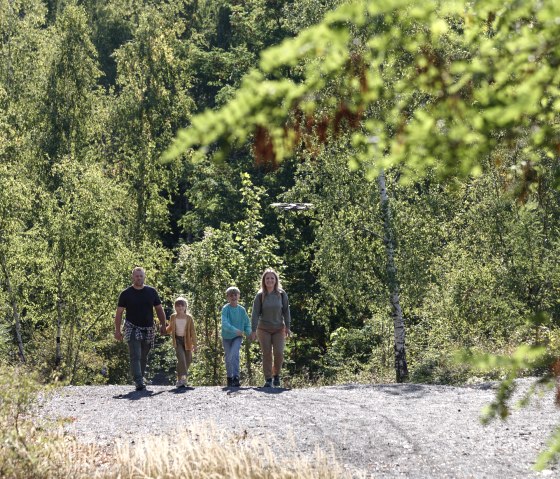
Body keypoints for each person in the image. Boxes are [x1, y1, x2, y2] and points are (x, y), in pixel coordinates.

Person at [114, 267, 166, 391]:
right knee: (135, 355)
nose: (139, 278)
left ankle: (140, 377)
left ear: (144, 277)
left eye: (141, 276)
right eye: (136, 276)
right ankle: (138, 381)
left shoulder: (151, 292)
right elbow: (119, 313)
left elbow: (159, 309)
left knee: (143, 356)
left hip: (148, 328)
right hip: (131, 328)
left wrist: (164, 325)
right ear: (133, 277)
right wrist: (117, 330)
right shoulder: (126, 293)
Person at [251, 268, 291, 388]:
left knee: (279, 353)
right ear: (264, 280)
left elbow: (286, 311)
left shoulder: (281, 294)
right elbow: (255, 313)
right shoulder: (260, 295)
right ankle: (268, 379)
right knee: (267, 353)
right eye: (267, 278)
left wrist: (288, 327)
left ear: (275, 280)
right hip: (263, 329)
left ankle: (276, 375)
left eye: (272, 278)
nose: (269, 280)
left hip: (279, 328)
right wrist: (253, 330)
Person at [221, 286, 251, 388]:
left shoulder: (242, 310)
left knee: (235, 354)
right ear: (227, 298)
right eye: (231, 295)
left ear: (238, 296)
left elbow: (247, 324)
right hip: (226, 337)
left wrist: (249, 333)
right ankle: (229, 377)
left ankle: (236, 377)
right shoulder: (226, 309)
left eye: (235, 295)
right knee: (229, 357)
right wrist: (235, 330)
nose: (233, 297)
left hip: (237, 337)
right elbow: (224, 323)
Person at [166, 296, 197, 387]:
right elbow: (171, 328)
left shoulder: (189, 318)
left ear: (185, 307)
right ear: (175, 307)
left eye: (182, 306)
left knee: (188, 359)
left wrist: (195, 344)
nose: (180, 308)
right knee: (181, 359)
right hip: (178, 341)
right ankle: (183, 380)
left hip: (187, 341)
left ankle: (179, 378)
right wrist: (164, 329)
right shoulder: (173, 317)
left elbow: (193, 332)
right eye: (178, 306)